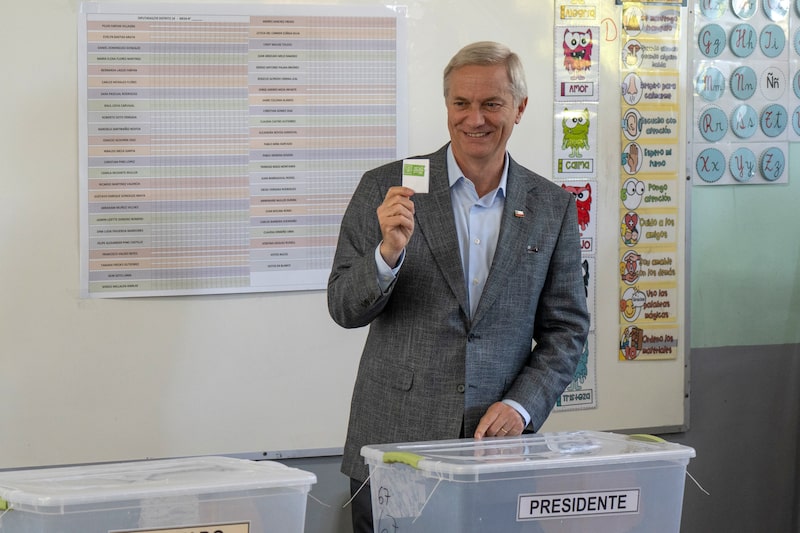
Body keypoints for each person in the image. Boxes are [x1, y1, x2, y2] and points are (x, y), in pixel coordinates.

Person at [327, 41, 590, 532]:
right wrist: (386, 255)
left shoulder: (551, 207)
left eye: (492, 103)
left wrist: (522, 406)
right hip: (395, 447)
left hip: (497, 452)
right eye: (461, 104)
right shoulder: (387, 189)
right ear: (446, 107)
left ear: (520, 108)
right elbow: (343, 306)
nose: (476, 119)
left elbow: (567, 331)